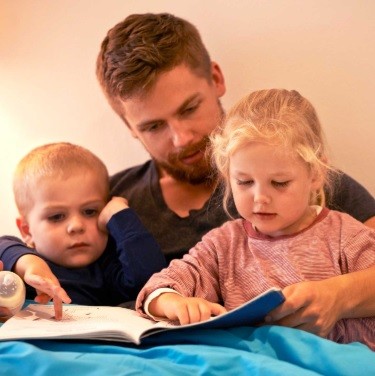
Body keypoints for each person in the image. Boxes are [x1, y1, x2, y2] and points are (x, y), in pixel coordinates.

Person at [95, 12, 375, 264]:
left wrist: (338, 296)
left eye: (190, 109)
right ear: (129, 126)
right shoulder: (105, 200)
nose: (181, 138)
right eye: (154, 126)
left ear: (216, 79)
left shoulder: (299, 176)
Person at [135, 89, 375, 349]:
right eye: (245, 182)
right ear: (228, 176)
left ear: (315, 175)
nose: (260, 198)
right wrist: (173, 302)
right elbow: (161, 285)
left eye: (279, 183)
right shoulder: (224, 245)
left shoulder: (344, 236)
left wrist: (338, 297)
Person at [0, 142, 166, 319]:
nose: (76, 226)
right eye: (57, 216)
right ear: (27, 230)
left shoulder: (109, 267)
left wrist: (120, 217)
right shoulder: (26, 268)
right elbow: (4, 246)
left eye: (90, 211)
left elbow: (153, 281)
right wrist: (30, 265)